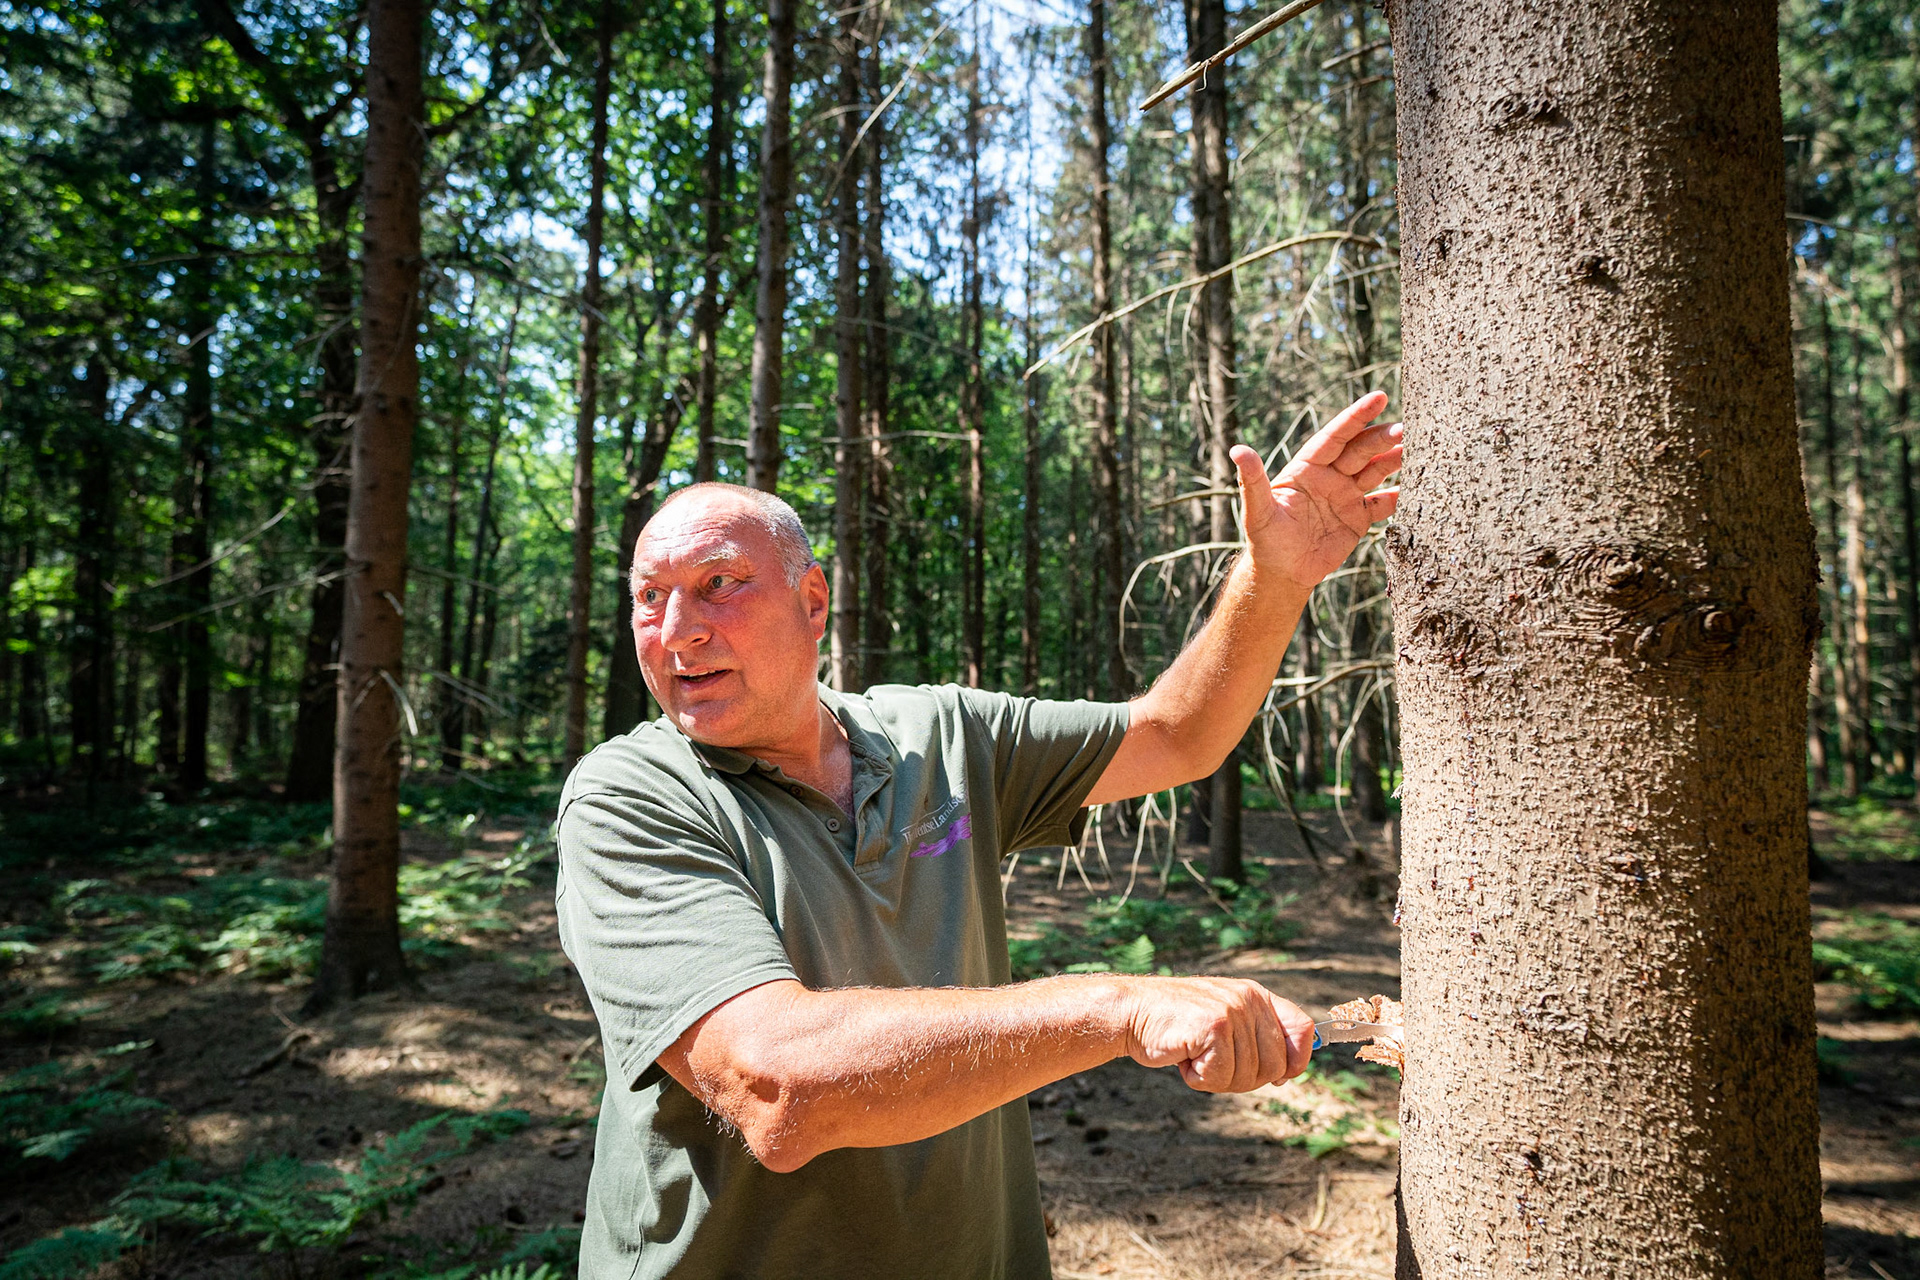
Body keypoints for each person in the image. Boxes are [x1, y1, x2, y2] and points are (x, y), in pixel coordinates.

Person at [555, 392, 1402, 1279]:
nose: (676, 629)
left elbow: (1177, 734)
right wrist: (1118, 1006)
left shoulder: (941, 735)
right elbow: (776, 1087)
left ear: (813, 602)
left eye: (719, 584)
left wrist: (1278, 575)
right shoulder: (628, 798)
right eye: (648, 598)